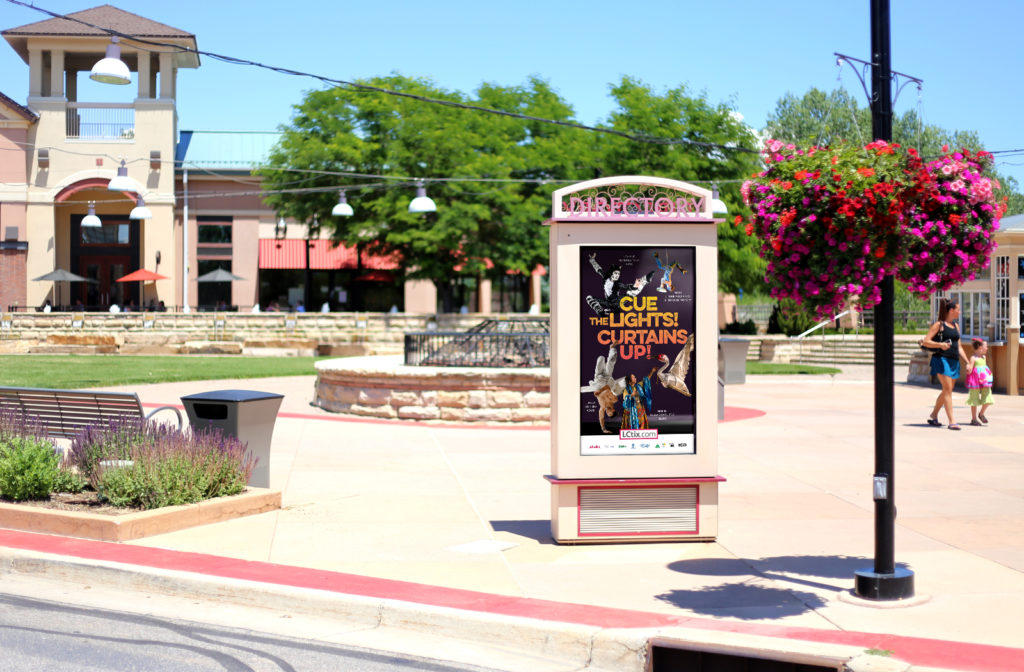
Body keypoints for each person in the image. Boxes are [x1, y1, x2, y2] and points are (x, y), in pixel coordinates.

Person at [924, 298, 968, 430]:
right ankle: (952, 421)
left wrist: (967, 362)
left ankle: (933, 414)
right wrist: (940, 344)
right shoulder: (939, 325)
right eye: (958, 310)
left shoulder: (956, 326)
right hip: (941, 359)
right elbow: (926, 341)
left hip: (954, 361)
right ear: (951, 310)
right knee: (948, 390)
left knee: (946, 390)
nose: (960, 312)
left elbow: (959, 347)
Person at [965, 338, 994, 426]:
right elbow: (969, 369)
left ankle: (981, 414)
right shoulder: (973, 358)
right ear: (980, 347)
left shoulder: (984, 357)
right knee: (974, 398)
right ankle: (974, 419)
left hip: (984, 380)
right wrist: (968, 369)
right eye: (986, 346)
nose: (987, 348)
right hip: (975, 380)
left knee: (988, 397)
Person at [620, 365, 659, 430]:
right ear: (629, 380)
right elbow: (625, 400)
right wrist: (631, 395)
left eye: (635, 377)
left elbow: (646, 380)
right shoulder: (626, 390)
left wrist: (652, 372)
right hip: (631, 411)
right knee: (631, 427)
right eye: (633, 377)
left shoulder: (638, 386)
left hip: (640, 409)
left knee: (641, 426)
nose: (635, 378)